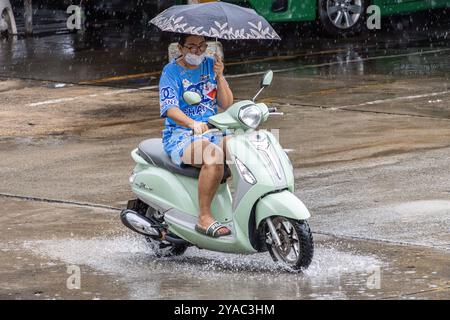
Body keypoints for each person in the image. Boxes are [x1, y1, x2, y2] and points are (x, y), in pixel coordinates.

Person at [158, 34, 234, 238]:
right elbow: (170, 109)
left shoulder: (211, 65)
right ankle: (204, 216)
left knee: (243, 148)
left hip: (213, 129)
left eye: (202, 46)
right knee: (214, 157)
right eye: (191, 47)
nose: (197, 51)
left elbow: (226, 104)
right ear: (180, 48)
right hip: (181, 134)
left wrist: (220, 76)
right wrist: (192, 123)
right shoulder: (171, 72)